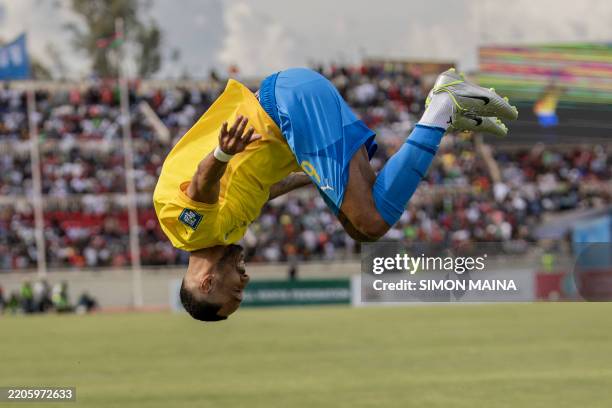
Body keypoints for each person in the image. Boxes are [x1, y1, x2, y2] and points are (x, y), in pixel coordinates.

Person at [153, 67, 517, 322]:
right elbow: (260, 189)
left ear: (207, 282)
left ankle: (443, 107)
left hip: (288, 110)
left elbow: (203, 181)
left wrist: (223, 153)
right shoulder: (223, 233)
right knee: (360, 223)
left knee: (371, 222)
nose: (243, 286)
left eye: (234, 295)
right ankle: (446, 116)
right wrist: (311, 178)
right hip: (293, 106)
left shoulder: (190, 232)